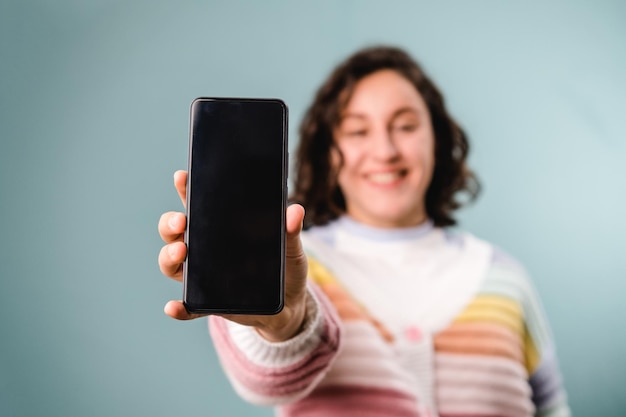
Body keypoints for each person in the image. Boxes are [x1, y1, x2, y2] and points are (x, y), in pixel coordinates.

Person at [158, 46, 570, 416]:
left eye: (406, 126)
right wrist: (284, 326)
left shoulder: (506, 279)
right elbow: (262, 380)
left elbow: (552, 408)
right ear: (328, 154)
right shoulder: (288, 262)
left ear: (438, 140)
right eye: (357, 131)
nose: (385, 151)